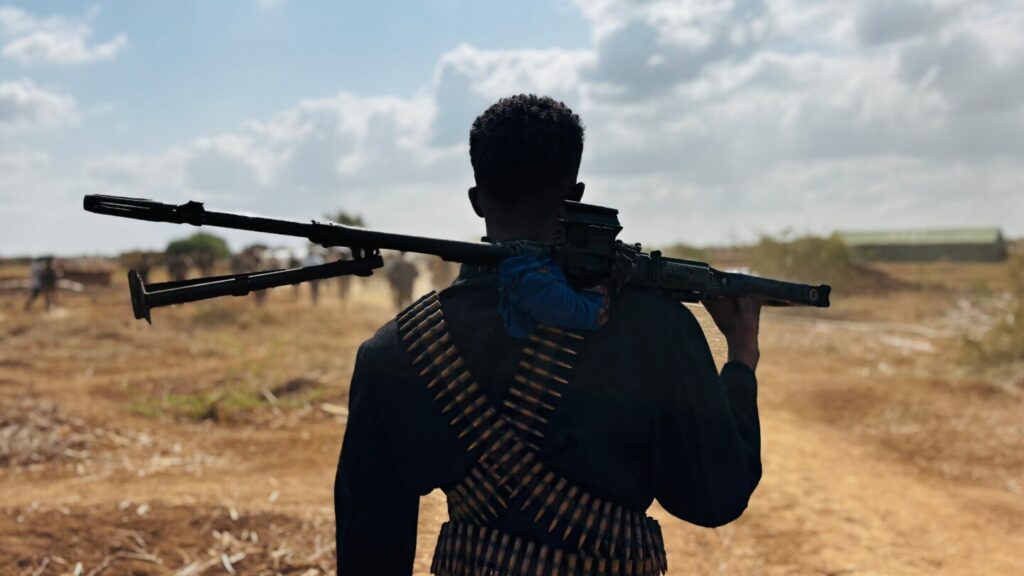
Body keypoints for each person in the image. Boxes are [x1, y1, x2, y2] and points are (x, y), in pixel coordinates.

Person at [335, 95, 762, 575]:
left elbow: (368, 553)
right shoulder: (657, 326)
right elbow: (715, 497)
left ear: (476, 200)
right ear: (576, 197)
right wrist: (741, 360)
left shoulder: (397, 350)